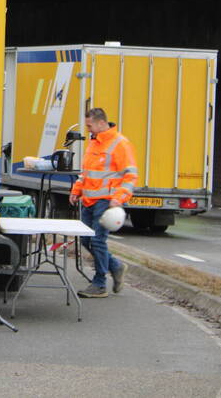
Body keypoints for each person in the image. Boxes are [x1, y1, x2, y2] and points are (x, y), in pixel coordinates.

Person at [70, 107, 137, 298]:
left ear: (101, 123)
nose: (88, 129)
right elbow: (86, 172)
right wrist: (76, 190)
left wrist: (119, 198)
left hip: (106, 201)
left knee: (97, 241)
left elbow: (130, 175)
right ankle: (115, 266)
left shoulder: (120, 144)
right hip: (89, 200)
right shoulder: (94, 142)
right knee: (85, 239)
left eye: (90, 125)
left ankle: (99, 283)